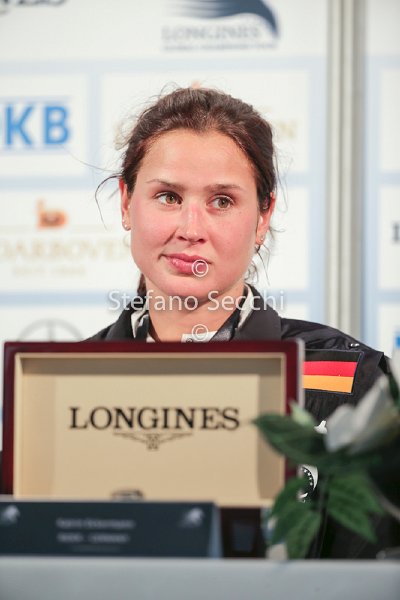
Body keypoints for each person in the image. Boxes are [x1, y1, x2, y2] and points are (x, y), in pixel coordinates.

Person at [90, 87, 391, 558]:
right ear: (127, 203)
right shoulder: (61, 387)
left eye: (222, 201)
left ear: (262, 216)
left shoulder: (355, 386)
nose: (190, 229)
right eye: (168, 196)